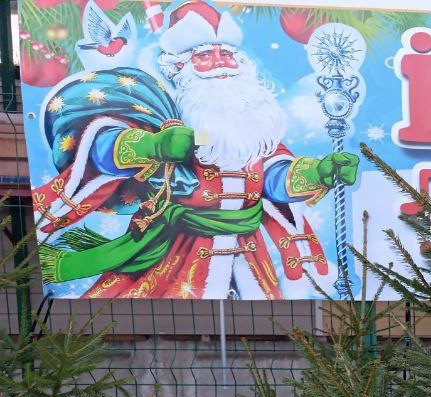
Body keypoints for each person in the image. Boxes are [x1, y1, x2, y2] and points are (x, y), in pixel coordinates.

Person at [34, 0, 358, 299]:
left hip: (249, 258)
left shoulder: (253, 126)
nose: (221, 64)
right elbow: (103, 149)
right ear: (181, 66)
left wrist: (319, 173)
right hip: (180, 253)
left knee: (261, 319)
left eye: (227, 54)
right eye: (205, 56)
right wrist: (153, 145)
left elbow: (273, 178)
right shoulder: (168, 118)